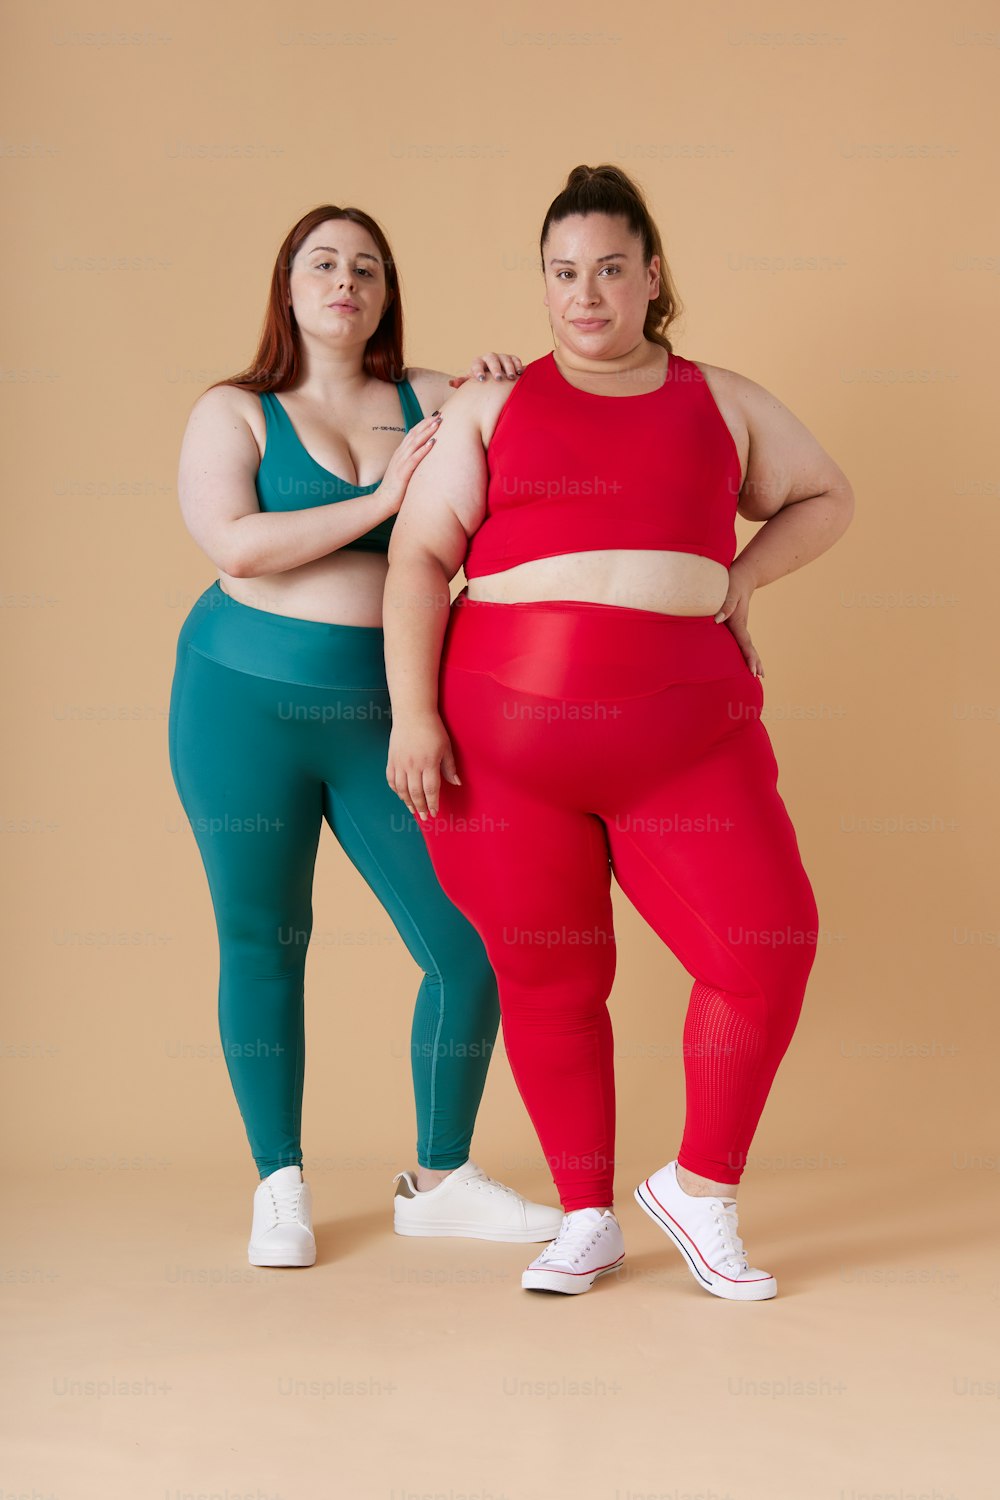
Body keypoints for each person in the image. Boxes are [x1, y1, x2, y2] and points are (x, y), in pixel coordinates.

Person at [382, 164, 854, 1300]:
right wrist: (410, 713)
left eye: (607, 269)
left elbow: (825, 494)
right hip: (501, 753)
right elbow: (418, 558)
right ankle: (585, 1215)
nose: (584, 294)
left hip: (684, 742)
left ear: (652, 277)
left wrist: (738, 580)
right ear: (542, 286)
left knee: (766, 945)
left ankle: (698, 1190)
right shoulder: (493, 404)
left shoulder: (723, 397)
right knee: (551, 981)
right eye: (561, 273)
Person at [167, 203, 563, 1268]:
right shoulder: (235, 411)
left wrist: (504, 387)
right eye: (324, 263)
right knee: (265, 938)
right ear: (287, 287)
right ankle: (279, 1183)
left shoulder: (428, 398)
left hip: (383, 714)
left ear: (387, 293)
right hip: (235, 707)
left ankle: (439, 1180)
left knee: (469, 941)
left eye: (369, 268)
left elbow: (532, 471)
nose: (346, 280)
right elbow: (238, 546)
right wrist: (383, 494)